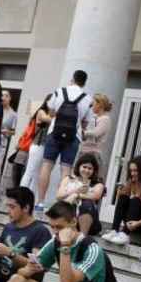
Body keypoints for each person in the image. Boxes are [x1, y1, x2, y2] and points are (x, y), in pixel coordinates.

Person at [37, 70, 95, 210]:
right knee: (66, 171)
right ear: (84, 82)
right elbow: (85, 123)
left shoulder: (59, 91)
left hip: (54, 133)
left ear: (72, 79)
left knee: (46, 166)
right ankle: (61, 204)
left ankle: (40, 202)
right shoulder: (88, 99)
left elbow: (51, 112)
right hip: (74, 137)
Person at [103, 155, 141, 245]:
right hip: (132, 221)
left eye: (135, 171)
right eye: (131, 171)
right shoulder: (132, 181)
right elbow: (122, 204)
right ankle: (114, 231)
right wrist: (119, 193)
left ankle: (125, 234)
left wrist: (138, 223)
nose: (132, 173)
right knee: (123, 197)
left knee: (135, 200)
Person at [56, 153, 105, 236]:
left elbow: (96, 196)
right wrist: (75, 191)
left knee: (86, 203)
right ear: (79, 166)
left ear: (94, 170)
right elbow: (59, 196)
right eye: (84, 167)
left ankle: (82, 238)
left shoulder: (98, 184)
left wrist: (77, 195)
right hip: (69, 215)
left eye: (90, 168)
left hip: (89, 220)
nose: (86, 170)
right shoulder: (68, 178)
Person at [80, 94, 112, 168]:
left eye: (93, 104)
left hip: (93, 153)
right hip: (84, 151)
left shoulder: (105, 119)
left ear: (100, 105)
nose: (92, 106)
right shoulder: (94, 117)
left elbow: (96, 133)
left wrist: (83, 132)